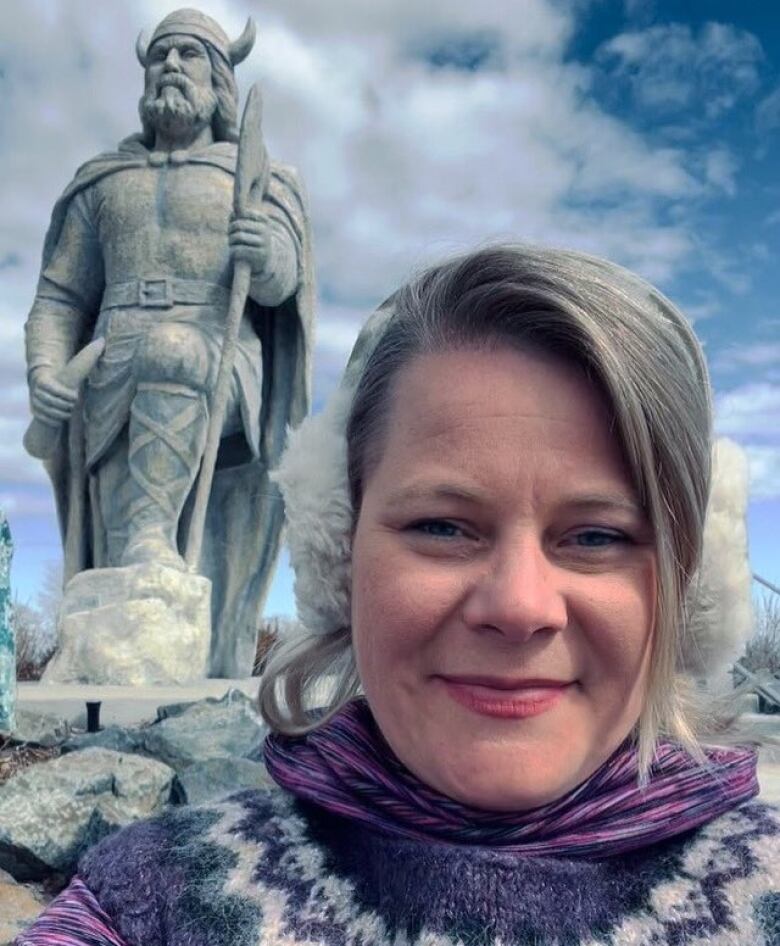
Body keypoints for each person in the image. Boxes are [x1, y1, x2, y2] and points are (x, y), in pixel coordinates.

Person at [17, 245, 777, 945]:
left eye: (596, 536)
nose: (518, 607)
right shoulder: (148, 898)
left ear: (689, 583)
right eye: (443, 526)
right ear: (338, 555)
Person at [24, 9, 314, 675]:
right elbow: (62, 296)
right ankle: (121, 619)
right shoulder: (104, 182)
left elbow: (283, 286)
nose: (172, 67)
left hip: (219, 358)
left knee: (173, 350)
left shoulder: (249, 175)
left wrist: (266, 252)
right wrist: (45, 368)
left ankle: (152, 544)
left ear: (218, 81)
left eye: (189, 55)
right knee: (152, 355)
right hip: (111, 358)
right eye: (161, 56)